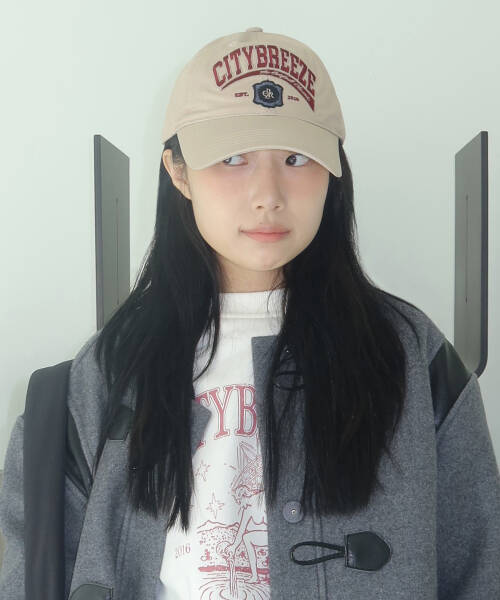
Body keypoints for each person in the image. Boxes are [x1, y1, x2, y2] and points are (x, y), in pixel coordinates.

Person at [1, 26, 499, 600]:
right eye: (233, 157)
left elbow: (481, 570)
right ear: (179, 172)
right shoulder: (105, 376)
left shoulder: (413, 360)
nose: (268, 194)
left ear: (334, 172)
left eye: (296, 157)